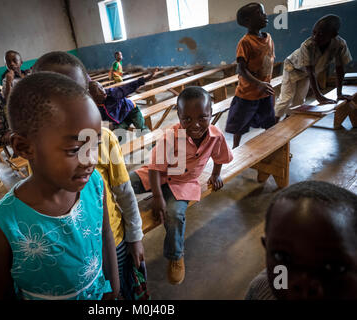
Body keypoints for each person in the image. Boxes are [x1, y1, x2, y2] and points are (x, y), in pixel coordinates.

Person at [0, 72, 120, 300]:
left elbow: (105, 234)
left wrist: (114, 290)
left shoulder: (94, 184)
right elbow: (1, 293)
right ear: (25, 147)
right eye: (74, 149)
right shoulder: (4, 223)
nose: (90, 160)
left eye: (94, 144)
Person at [33, 51, 146, 298]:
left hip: (114, 240)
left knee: (121, 292)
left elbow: (125, 194)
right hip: (68, 251)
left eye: (74, 93)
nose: (65, 105)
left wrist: (135, 237)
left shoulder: (103, 140)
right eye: (53, 95)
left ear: (88, 92)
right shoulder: (37, 149)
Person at [130, 87, 233, 285]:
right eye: (187, 119)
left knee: (175, 215)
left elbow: (220, 155)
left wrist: (216, 174)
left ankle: (175, 255)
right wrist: (158, 198)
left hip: (183, 183)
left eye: (203, 117)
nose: (195, 125)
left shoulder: (215, 135)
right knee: (124, 183)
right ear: (179, 116)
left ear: (211, 113)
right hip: (157, 175)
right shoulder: (171, 135)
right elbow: (154, 168)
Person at [245, 180, 357, 300]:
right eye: (281, 256)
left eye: (334, 267)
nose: (303, 283)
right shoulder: (259, 290)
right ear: (266, 249)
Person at [274, 14, 353, 122]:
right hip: (292, 67)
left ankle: (288, 121)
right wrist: (319, 96)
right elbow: (311, 72)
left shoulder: (340, 44)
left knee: (300, 100)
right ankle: (273, 123)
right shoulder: (308, 45)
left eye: (320, 34)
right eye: (314, 32)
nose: (315, 37)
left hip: (306, 73)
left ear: (333, 34)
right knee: (286, 98)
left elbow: (340, 69)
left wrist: (339, 93)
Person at [225, 3, 275, 148]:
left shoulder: (269, 38)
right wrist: (259, 83)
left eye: (264, 12)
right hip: (247, 94)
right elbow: (241, 70)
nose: (265, 15)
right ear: (247, 21)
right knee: (239, 125)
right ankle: (235, 148)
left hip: (264, 91)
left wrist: (264, 84)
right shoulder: (245, 42)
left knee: (269, 122)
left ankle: (272, 146)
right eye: (260, 13)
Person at [89, 69, 156, 133]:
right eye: (100, 94)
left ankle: (151, 142)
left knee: (141, 129)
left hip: (131, 110)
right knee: (118, 135)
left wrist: (146, 79)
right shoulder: (93, 105)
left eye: (102, 87)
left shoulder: (112, 93)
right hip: (121, 118)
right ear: (94, 97)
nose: (103, 92)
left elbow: (129, 87)